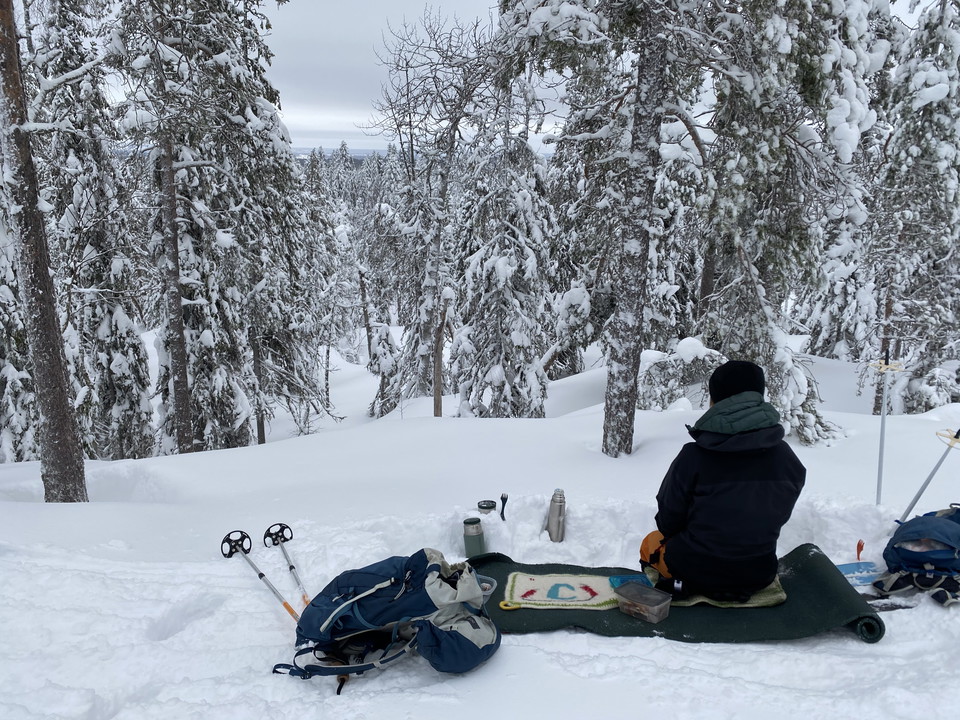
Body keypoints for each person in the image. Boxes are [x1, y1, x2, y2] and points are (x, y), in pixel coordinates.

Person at [640, 360, 806, 600]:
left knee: (651, 543)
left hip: (693, 571)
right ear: (759, 396)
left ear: (714, 401)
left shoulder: (693, 456)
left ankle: (673, 586)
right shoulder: (787, 458)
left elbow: (667, 522)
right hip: (759, 574)